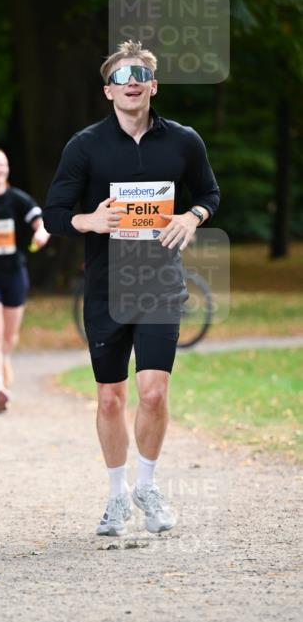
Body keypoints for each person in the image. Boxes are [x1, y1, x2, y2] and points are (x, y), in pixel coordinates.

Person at [43, 40, 220, 536]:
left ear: (154, 85)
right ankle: (116, 495)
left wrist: (192, 215)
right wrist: (91, 219)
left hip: (161, 282)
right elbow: (55, 215)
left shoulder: (183, 141)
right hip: (104, 287)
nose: (133, 82)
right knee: (109, 399)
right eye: (123, 76)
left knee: (154, 392)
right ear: (109, 90)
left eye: (141, 74)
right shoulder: (85, 145)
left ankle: (147, 484)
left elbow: (209, 192)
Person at [0, 148, 50, 413]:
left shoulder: (17, 199)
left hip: (14, 275)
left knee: (8, 337)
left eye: (2, 164)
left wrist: (40, 234)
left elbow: (39, 221)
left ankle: (3, 362)